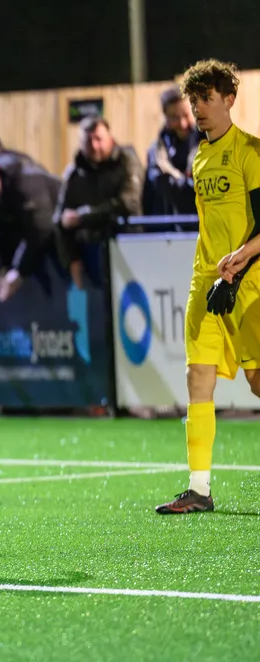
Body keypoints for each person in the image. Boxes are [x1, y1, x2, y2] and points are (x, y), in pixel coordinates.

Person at [156, 59, 260, 514]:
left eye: (206, 100)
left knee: (258, 383)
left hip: (250, 281)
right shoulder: (197, 155)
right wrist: (216, 271)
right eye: (194, 101)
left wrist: (242, 259)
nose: (198, 109)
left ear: (230, 100)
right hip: (207, 281)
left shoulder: (250, 152)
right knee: (197, 377)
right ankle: (199, 489)